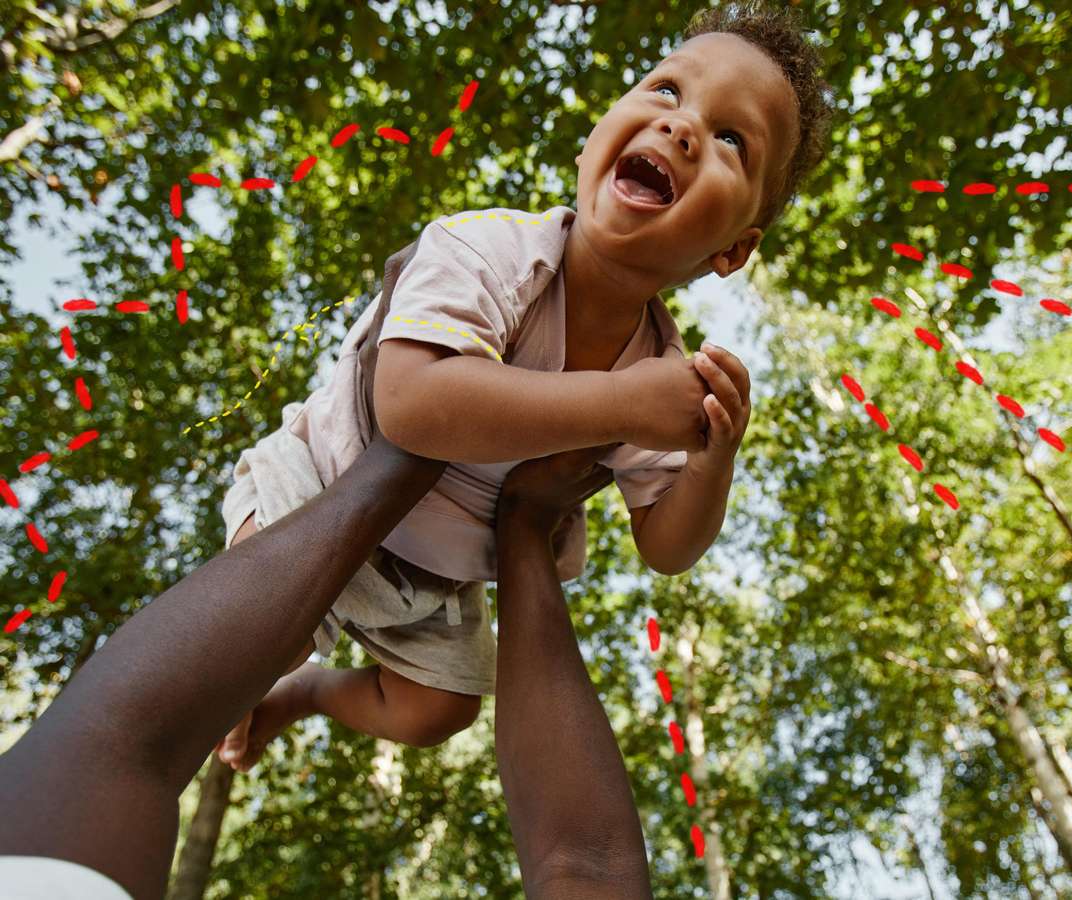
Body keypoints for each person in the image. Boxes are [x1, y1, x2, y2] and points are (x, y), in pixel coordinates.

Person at [214, 0, 828, 773]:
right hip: (314, 489)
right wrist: (623, 404)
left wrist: (711, 461)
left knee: (440, 708)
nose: (682, 126)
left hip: (431, 585)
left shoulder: (663, 368)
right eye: (667, 90)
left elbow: (666, 545)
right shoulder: (495, 251)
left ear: (735, 249)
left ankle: (303, 695)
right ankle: (239, 674)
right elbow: (413, 404)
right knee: (259, 629)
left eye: (732, 138)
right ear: (595, 140)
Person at [0, 437, 651, 898]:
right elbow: (585, 867)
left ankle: (300, 686)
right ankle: (403, 463)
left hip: (396, 551)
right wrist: (522, 522)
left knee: (301, 670)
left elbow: (123, 744)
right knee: (288, 655)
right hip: (357, 492)